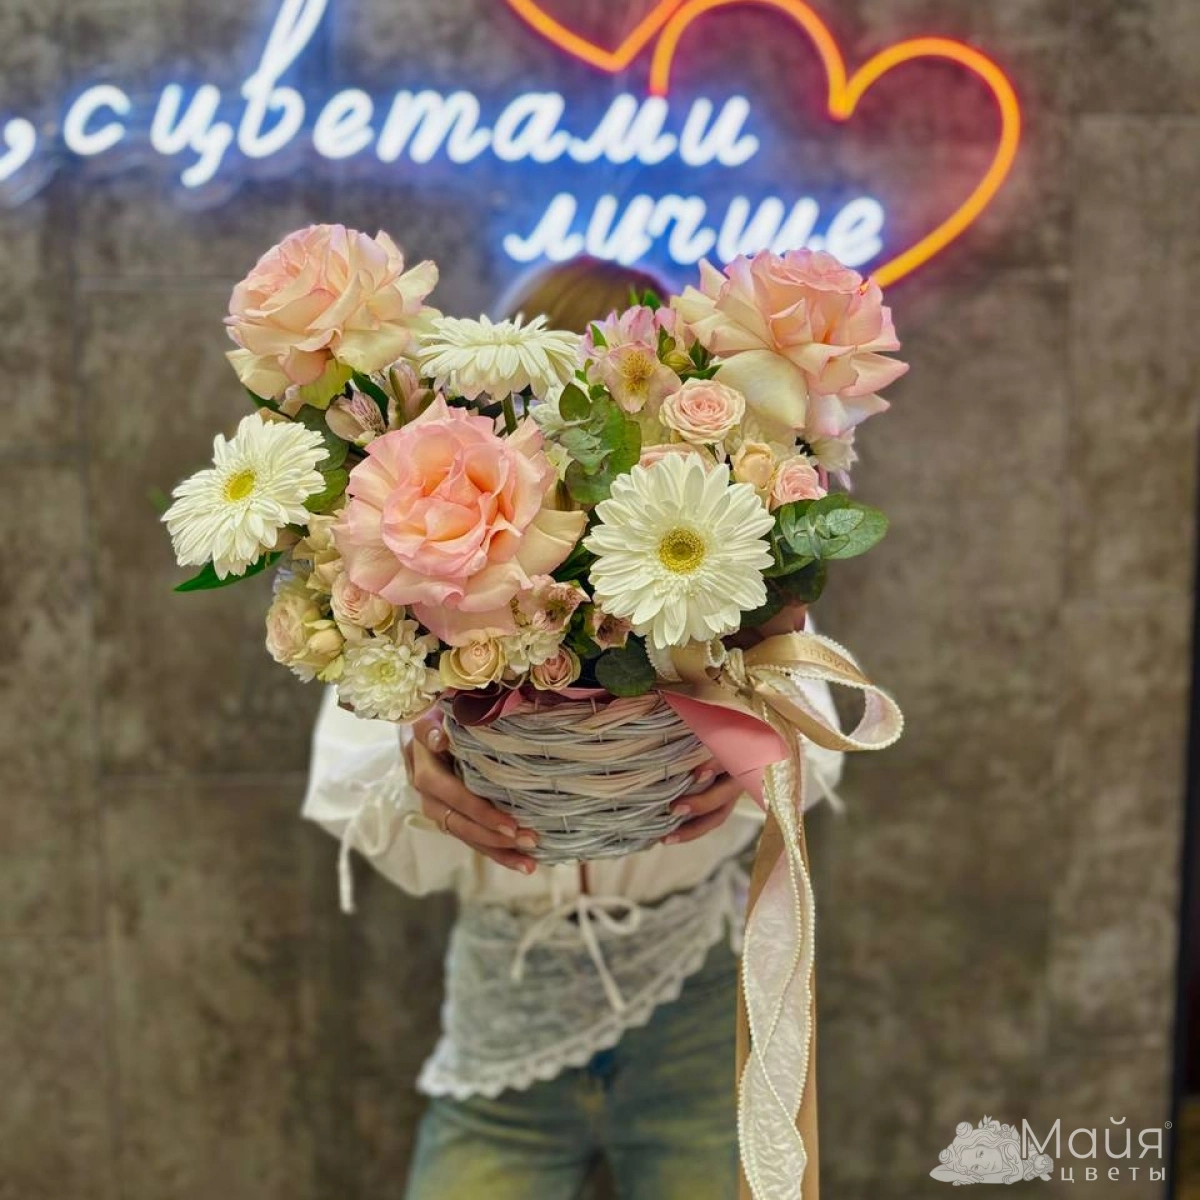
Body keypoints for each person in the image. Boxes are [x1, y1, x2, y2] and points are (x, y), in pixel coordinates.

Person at [301, 257, 846, 1199]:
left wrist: (759, 755)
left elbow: (815, 725)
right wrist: (416, 770)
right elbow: (352, 764)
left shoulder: (716, 563)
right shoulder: (421, 584)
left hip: (694, 996)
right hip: (508, 1003)